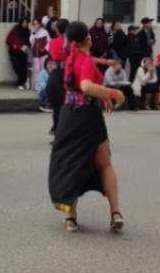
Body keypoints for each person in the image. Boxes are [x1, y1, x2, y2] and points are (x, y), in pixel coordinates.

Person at [48, 20, 126, 233]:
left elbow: (87, 82)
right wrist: (114, 94)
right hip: (88, 118)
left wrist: (103, 97)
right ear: (88, 38)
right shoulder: (85, 61)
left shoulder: (72, 58)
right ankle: (116, 212)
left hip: (68, 116)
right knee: (105, 164)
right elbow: (87, 86)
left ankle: (71, 216)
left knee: (73, 163)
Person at [45, 19, 69, 136]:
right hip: (67, 73)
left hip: (56, 74)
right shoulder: (73, 43)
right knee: (65, 106)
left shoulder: (53, 42)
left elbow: (52, 55)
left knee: (57, 106)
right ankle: (59, 129)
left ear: (57, 29)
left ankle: (57, 128)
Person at [5, 17, 31, 89]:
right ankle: (20, 82)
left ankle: (22, 83)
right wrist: (14, 45)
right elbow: (8, 40)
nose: (25, 24)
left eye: (26, 22)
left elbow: (29, 42)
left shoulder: (28, 31)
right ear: (21, 23)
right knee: (17, 67)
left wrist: (27, 46)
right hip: (14, 52)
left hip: (23, 52)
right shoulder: (15, 29)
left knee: (23, 68)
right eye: (24, 22)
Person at [29, 17, 49, 90]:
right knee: (36, 69)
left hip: (43, 54)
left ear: (40, 24)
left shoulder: (45, 32)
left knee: (43, 69)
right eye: (34, 24)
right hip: (36, 54)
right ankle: (37, 86)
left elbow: (49, 42)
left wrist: (45, 48)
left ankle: (44, 86)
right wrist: (33, 33)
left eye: (36, 23)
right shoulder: (33, 32)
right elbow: (31, 42)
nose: (35, 25)